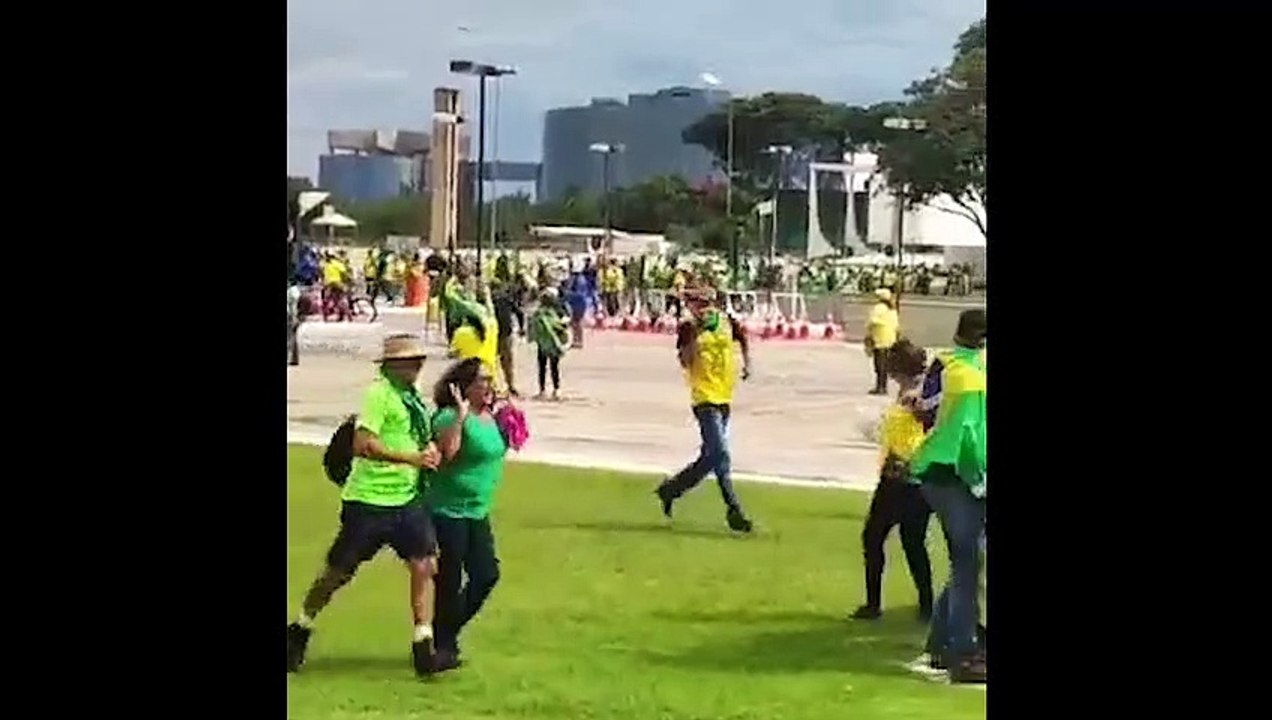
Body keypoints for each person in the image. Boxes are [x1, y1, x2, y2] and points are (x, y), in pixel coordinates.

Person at [286, 334, 456, 677]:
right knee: (338, 574)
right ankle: (300, 627)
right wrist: (411, 458)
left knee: (424, 564)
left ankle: (423, 642)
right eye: (411, 361)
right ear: (393, 365)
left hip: (406, 499)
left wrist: (429, 453)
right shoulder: (378, 395)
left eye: (420, 360)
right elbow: (363, 444)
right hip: (369, 502)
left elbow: (413, 438)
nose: (418, 366)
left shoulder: (410, 399)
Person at [910, 309, 987, 684]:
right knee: (968, 564)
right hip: (954, 475)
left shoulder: (954, 362)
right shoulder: (971, 376)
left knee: (966, 563)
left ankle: (942, 646)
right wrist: (978, 481)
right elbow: (970, 437)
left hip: (939, 471)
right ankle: (964, 654)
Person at [428, 358, 511, 665]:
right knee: (449, 580)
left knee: (486, 574)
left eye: (490, 380)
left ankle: (444, 633)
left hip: (477, 510)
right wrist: (461, 416)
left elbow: (499, 449)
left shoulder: (490, 417)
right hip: (447, 510)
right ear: (463, 387)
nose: (489, 386)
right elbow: (447, 455)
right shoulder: (449, 417)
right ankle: (444, 644)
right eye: (481, 381)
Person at [655, 288, 755, 533]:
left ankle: (670, 490)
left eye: (706, 304)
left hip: (724, 395)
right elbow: (685, 360)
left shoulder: (726, 321)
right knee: (721, 454)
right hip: (704, 397)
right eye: (698, 305)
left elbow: (742, 337)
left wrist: (747, 364)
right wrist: (694, 336)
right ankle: (734, 509)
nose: (704, 309)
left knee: (709, 458)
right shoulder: (689, 328)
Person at [850, 339, 933, 621]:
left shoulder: (917, 396)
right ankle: (926, 604)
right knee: (912, 541)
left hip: (904, 477)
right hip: (904, 474)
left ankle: (875, 605)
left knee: (876, 537)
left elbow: (926, 423)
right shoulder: (909, 392)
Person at [529, 288, 569, 400]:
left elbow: (533, 326)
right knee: (552, 367)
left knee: (544, 367)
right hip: (551, 343)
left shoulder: (543, 312)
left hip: (545, 343)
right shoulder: (555, 311)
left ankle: (545, 390)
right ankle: (554, 390)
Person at [492, 280, 526, 397]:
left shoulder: (491, 301)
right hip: (502, 333)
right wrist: (522, 328)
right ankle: (507, 385)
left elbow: (519, 313)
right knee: (506, 362)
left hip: (495, 334)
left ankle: (503, 386)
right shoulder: (505, 299)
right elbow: (520, 313)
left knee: (496, 362)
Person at [864, 288, 900, 395]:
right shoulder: (892, 310)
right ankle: (883, 386)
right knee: (884, 364)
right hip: (890, 339)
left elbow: (871, 321)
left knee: (879, 364)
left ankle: (880, 387)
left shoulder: (878, 308)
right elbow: (897, 326)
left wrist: (869, 333)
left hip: (879, 338)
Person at [287, 283, 302, 366]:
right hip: (291, 315)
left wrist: (294, 317)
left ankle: (292, 358)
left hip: (290, 315)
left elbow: (294, 306)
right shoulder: (293, 290)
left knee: (290, 337)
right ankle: (293, 358)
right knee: (292, 337)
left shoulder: (292, 291)